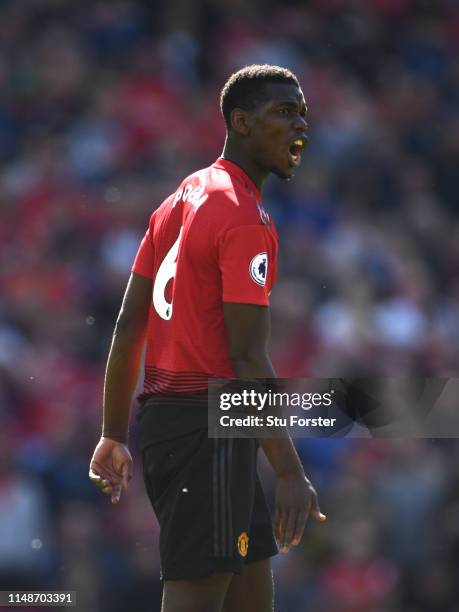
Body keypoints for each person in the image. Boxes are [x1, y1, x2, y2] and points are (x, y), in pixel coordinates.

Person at [89, 64, 326, 612]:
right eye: (283, 113)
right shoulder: (243, 217)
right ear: (240, 121)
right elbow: (245, 355)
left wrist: (112, 433)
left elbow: (130, 327)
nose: (300, 127)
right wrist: (290, 472)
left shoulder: (184, 196)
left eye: (303, 114)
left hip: (187, 422)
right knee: (196, 596)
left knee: (249, 590)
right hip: (205, 424)